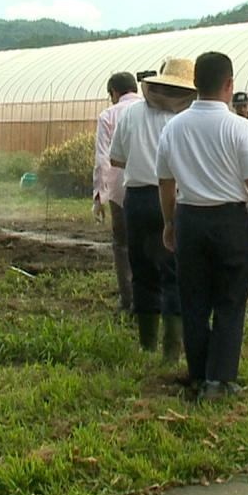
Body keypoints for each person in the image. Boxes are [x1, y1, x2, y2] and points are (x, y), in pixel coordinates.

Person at [157, 52, 248, 401]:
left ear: (194, 84)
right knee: (230, 299)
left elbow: (165, 182)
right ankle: (220, 380)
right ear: (229, 85)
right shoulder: (239, 127)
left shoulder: (173, 127)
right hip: (229, 221)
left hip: (190, 219)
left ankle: (199, 373)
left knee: (193, 299)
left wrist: (169, 222)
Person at [108, 59, 197, 358]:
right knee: (172, 272)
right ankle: (172, 350)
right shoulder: (185, 119)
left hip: (137, 200)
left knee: (143, 272)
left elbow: (116, 160)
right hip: (172, 199)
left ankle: (147, 345)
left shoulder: (131, 113)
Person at [94, 72, 142, 314]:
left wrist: (99, 196)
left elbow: (103, 158)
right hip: (151, 189)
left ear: (114, 92)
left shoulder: (109, 115)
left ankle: (128, 300)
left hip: (119, 191)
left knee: (122, 245)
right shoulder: (150, 110)